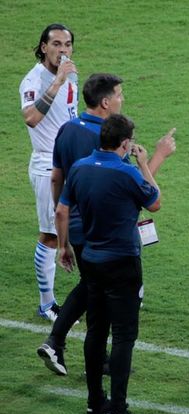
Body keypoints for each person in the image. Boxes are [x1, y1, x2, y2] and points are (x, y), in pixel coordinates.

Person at [36, 74, 176, 376]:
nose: (122, 100)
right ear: (105, 102)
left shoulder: (67, 129)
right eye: (120, 95)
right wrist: (159, 156)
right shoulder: (108, 137)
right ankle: (68, 348)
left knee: (91, 287)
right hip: (104, 228)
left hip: (74, 222)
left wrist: (64, 227)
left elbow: (56, 178)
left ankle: (71, 350)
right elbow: (132, 187)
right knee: (102, 292)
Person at [55, 114, 163, 414]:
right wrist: (144, 164)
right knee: (124, 336)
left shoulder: (79, 168)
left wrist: (64, 246)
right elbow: (155, 202)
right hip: (123, 263)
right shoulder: (127, 173)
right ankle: (117, 410)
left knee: (96, 331)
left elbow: (63, 208)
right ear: (126, 143)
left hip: (91, 259)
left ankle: (94, 402)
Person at [20, 23, 78, 321]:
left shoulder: (71, 74)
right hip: (47, 166)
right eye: (56, 44)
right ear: (44, 47)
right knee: (50, 236)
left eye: (67, 44)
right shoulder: (34, 80)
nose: (62, 50)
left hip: (73, 161)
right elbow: (30, 118)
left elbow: (71, 115)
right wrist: (56, 82)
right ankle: (47, 304)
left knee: (82, 226)